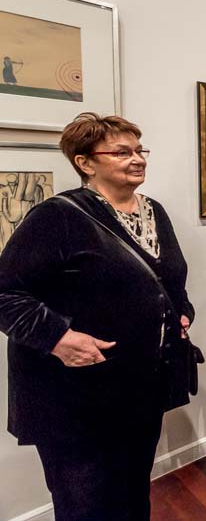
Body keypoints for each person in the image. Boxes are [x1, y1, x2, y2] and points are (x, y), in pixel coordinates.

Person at [0, 113, 195, 520]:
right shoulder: (59, 216)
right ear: (85, 162)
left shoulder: (154, 211)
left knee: (133, 490)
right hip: (75, 397)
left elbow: (167, 279)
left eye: (139, 150)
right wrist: (57, 337)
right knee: (85, 503)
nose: (137, 159)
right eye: (122, 152)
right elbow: (6, 291)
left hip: (140, 387)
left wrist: (181, 312)